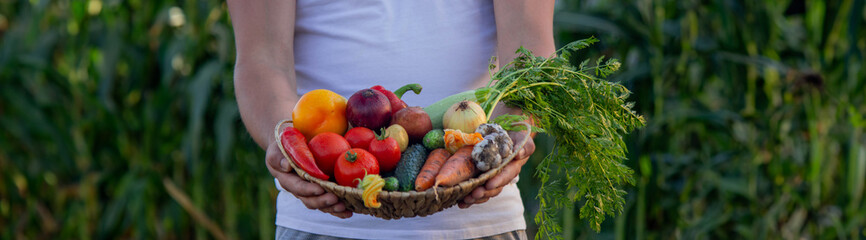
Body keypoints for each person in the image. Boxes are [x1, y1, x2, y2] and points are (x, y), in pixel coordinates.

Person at [228, 1, 554, 239]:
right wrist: (284, 140)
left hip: (480, 222)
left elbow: (530, 54)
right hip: (320, 221)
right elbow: (261, 58)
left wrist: (510, 132)